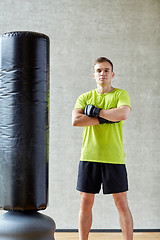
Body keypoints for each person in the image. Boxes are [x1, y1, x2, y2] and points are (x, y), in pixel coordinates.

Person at [72, 57, 133, 240]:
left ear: (112, 74)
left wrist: (95, 112)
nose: (103, 73)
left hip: (113, 157)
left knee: (121, 202)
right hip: (89, 156)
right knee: (85, 203)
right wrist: (108, 116)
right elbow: (76, 121)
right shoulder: (85, 97)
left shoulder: (121, 94)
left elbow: (123, 113)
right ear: (94, 75)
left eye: (106, 70)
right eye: (99, 70)